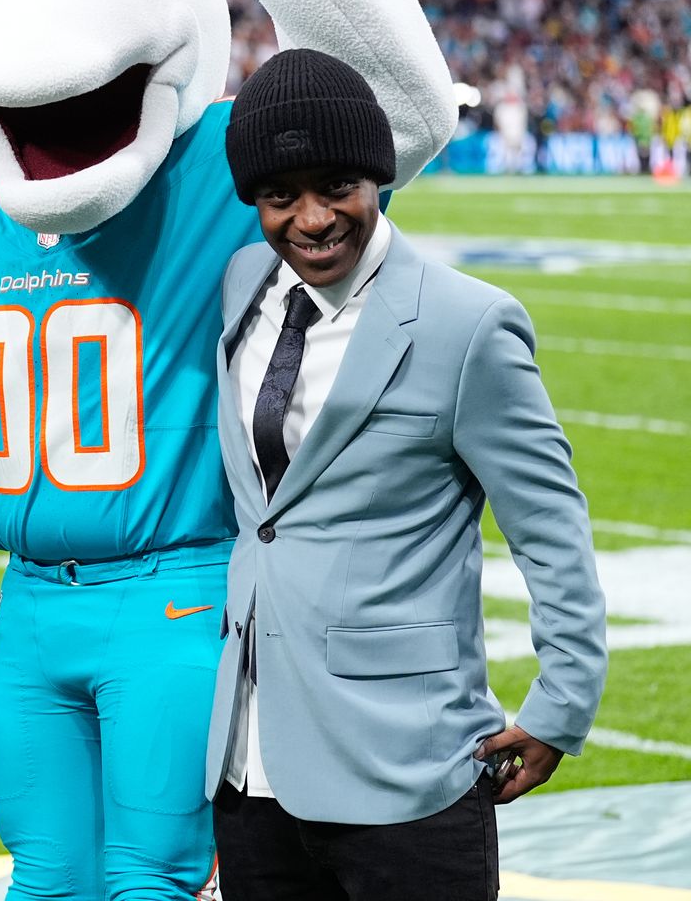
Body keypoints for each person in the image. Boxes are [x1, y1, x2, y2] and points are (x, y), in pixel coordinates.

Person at [206, 49, 609, 900]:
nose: (313, 218)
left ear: (378, 178)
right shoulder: (244, 285)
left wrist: (562, 703)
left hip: (409, 771)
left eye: (337, 187)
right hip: (250, 762)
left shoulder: (468, 325)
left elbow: (551, 526)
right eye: (281, 197)